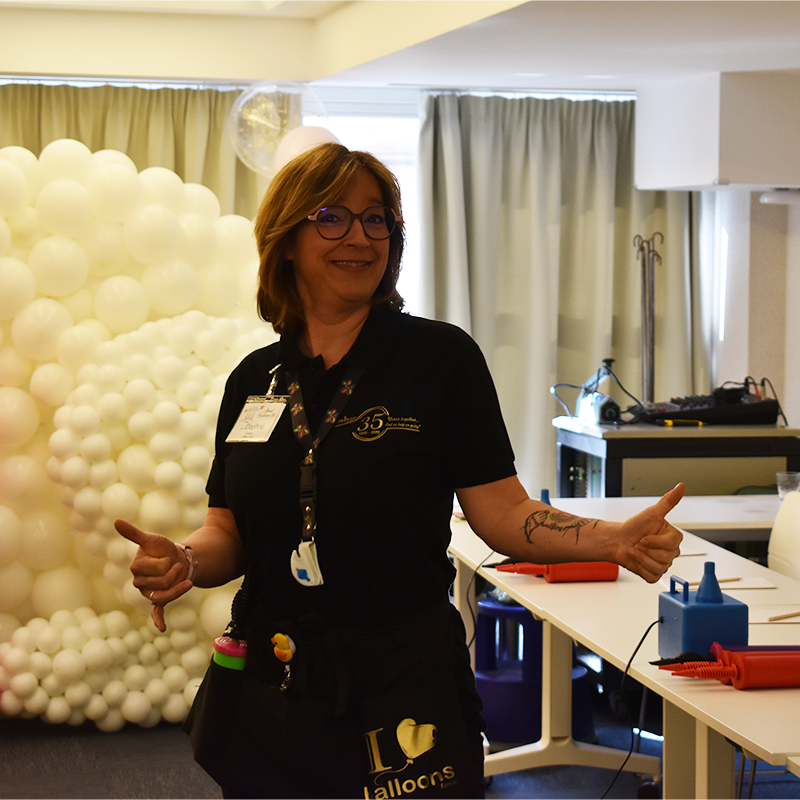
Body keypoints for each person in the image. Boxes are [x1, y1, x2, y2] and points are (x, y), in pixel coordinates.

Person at [115, 142, 684, 800]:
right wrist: (186, 561)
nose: (360, 236)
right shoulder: (254, 380)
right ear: (287, 239)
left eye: (376, 217)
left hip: (402, 686)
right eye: (332, 217)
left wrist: (610, 540)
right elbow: (229, 530)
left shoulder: (440, 360)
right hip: (275, 688)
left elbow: (503, 512)